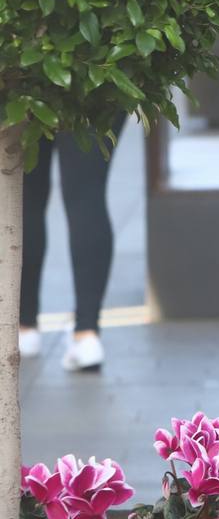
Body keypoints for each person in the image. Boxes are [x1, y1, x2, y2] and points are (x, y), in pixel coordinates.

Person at [18, 117, 129, 372]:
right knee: (87, 195)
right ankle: (87, 334)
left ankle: (24, 329)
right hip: (99, 83)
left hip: (23, 81)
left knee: (25, 197)